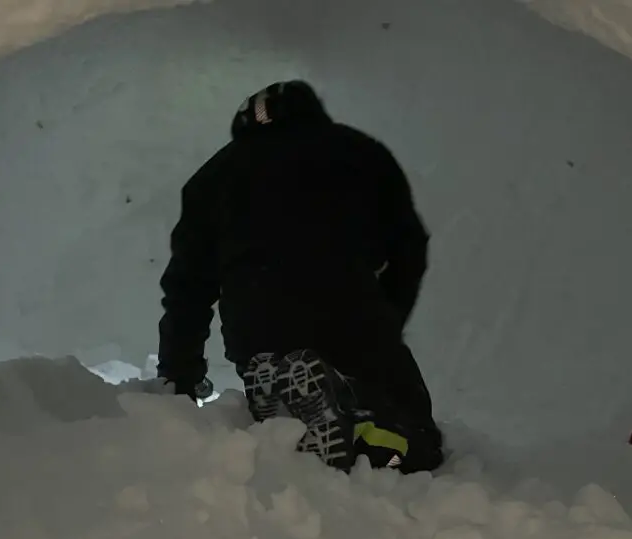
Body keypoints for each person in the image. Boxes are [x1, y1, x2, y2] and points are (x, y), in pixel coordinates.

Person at [155, 80, 444, 474]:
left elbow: (187, 288)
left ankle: (297, 400)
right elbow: (409, 248)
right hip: (350, 311)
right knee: (419, 436)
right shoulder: (361, 153)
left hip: (256, 325)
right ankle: (376, 437)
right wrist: (387, 318)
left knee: (283, 350)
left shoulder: (213, 176)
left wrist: (180, 377)